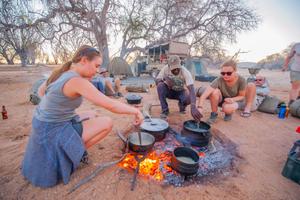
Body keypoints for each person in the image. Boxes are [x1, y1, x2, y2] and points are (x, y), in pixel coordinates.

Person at [21, 45, 144, 188]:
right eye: (96, 66)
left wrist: (63, 113)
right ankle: (75, 153)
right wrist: (136, 111)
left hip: (42, 125)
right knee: (107, 122)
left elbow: (42, 92)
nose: (98, 70)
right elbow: (111, 105)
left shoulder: (62, 73)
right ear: (84, 60)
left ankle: (74, 147)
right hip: (53, 131)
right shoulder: (76, 81)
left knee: (93, 114)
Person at [155, 55, 202, 121]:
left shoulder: (185, 71)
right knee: (160, 86)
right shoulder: (165, 69)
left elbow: (191, 90)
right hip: (169, 91)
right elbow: (157, 80)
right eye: (174, 69)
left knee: (189, 98)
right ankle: (165, 110)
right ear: (169, 66)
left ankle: (182, 105)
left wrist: (193, 107)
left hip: (180, 92)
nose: (176, 71)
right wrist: (164, 80)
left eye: (178, 68)